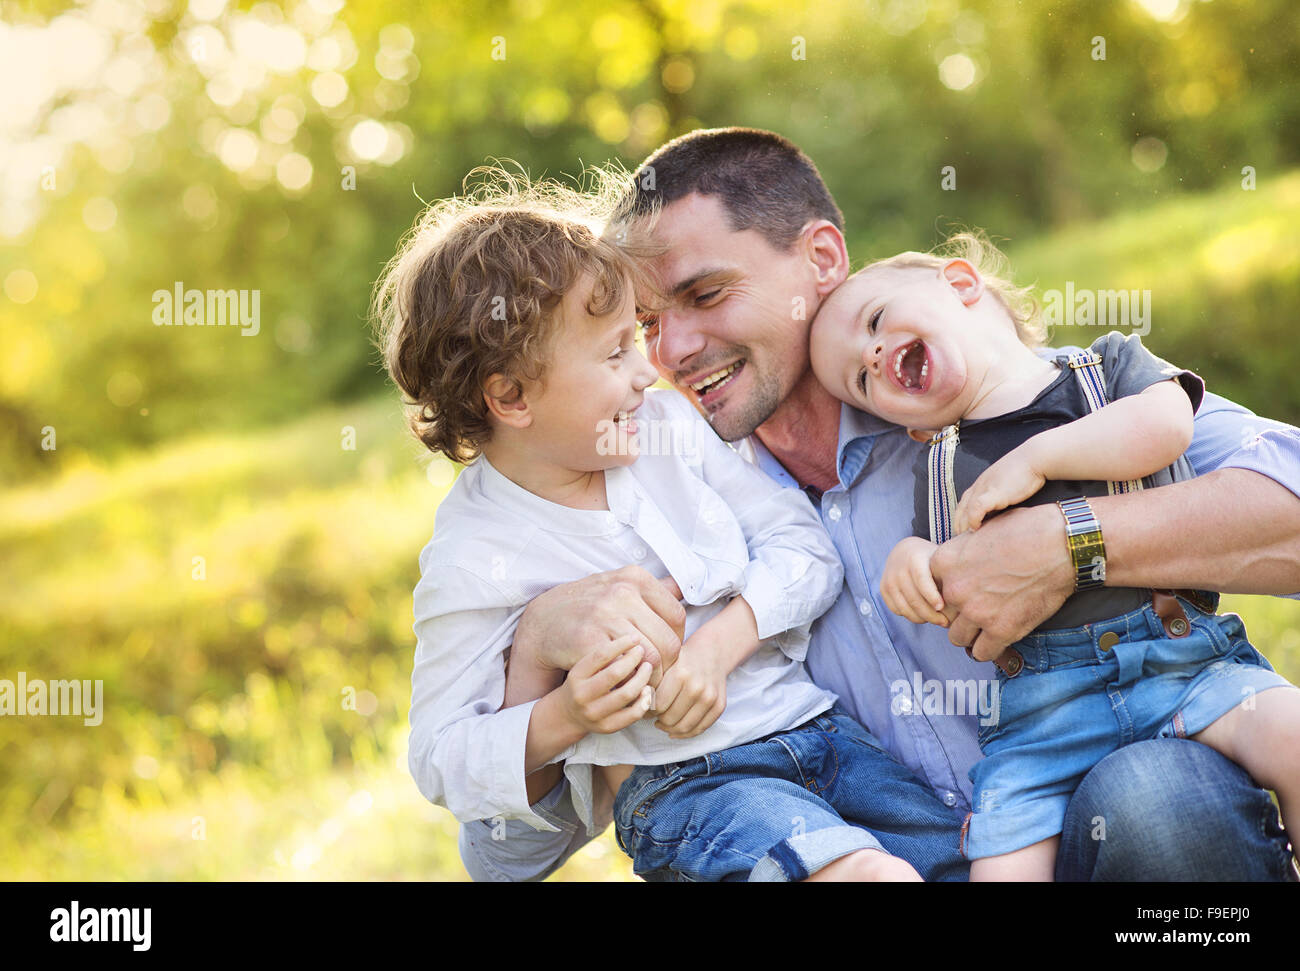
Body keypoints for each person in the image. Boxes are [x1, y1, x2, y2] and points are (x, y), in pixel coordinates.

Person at [459, 128, 1300, 881]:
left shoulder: (1011, 394)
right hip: (888, 861)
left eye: (706, 296)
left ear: (822, 259)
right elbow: (504, 855)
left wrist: (1071, 539)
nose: (672, 350)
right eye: (644, 325)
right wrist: (535, 649)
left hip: (1098, 829)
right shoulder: (642, 493)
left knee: (1156, 795)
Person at [373, 170, 969, 881]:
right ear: (510, 396)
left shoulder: (669, 433)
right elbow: (442, 756)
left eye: (638, 338)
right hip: (695, 788)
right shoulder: (475, 551)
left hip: (819, 733)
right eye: (615, 351)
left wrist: (721, 644)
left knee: (965, 862)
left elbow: (801, 544)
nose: (646, 372)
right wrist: (565, 713)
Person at [807, 236, 1300, 880]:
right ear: (911, 428)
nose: (873, 355)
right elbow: (948, 564)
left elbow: (1164, 429)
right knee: (998, 865)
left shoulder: (1105, 370)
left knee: (1292, 737)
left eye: (875, 322)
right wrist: (910, 560)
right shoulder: (940, 462)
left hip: (1180, 663)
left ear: (961, 283)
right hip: (1042, 717)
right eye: (863, 381)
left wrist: (1038, 461)